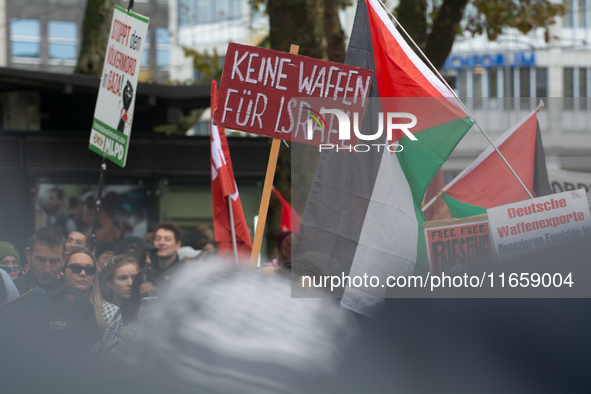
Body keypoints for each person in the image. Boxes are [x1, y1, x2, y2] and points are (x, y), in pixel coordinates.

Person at [11, 227, 101, 356]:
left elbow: (92, 359)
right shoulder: (11, 294)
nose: (47, 269)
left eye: (54, 261)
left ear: (64, 259)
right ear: (28, 255)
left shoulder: (80, 303)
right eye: (40, 260)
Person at [63, 247, 124, 353]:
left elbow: (110, 357)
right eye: (76, 268)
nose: (83, 273)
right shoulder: (51, 305)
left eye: (89, 270)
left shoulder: (111, 312)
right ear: (63, 270)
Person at [117, 269, 165, 360]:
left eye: (156, 293)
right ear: (139, 301)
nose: (152, 299)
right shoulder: (128, 332)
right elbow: (122, 368)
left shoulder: (180, 324)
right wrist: (143, 332)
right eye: (145, 297)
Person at [102, 254, 139, 325]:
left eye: (134, 277)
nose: (130, 283)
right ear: (110, 283)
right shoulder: (102, 311)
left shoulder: (143, 308)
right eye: (123, 278)